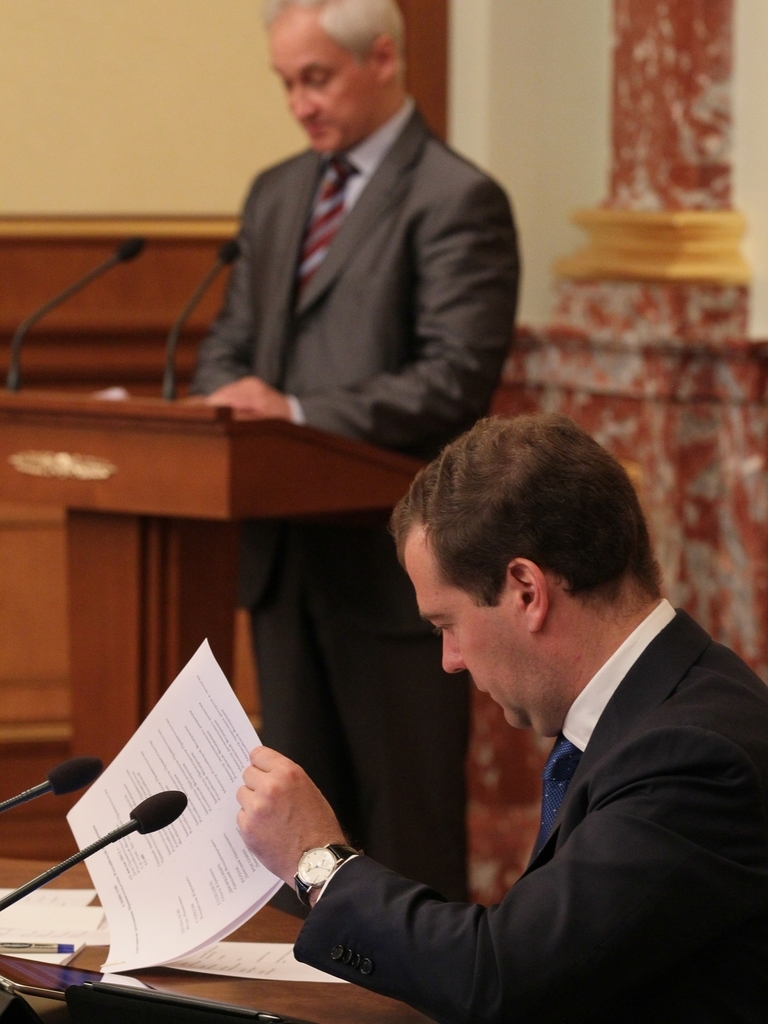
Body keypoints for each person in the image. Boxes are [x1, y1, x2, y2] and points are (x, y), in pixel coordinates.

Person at [236, 413, 768, 1024]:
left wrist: (317, 861)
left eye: (447, 624)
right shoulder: (660, 702)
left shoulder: (693, 756)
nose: (450, 660)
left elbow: (507, 979)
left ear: (526, 591)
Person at [192, 0, 518, 902]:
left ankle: (416, 983)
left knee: (402, 831)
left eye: (317, 78)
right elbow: (225, 346)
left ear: (382, 58)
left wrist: (294, 410)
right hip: (285, 565)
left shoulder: (457, 198)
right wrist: (230, 395)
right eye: (286, 82)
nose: (299, 102)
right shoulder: (277, 192)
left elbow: (452, 379)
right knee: (292, 841)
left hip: (398, 578)